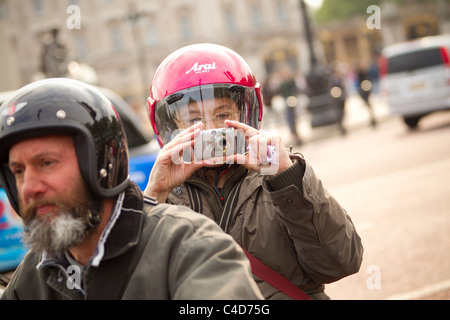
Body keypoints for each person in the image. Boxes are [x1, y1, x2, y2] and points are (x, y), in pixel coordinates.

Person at [0, 78, 263, 300]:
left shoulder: (190, 245)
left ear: (101, 162)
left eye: (46, 163)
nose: (29, 188)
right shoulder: (35, 270)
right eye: (18, 171)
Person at [145, 43, 364, 300]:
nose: (210, 129)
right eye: (193, 120)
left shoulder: (276, 175)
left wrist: (286, 177)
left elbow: (341, 262)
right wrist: (153, 197)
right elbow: (137, 288)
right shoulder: (165, 195)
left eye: (223, 113)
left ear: (245, 112)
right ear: (170, 124)